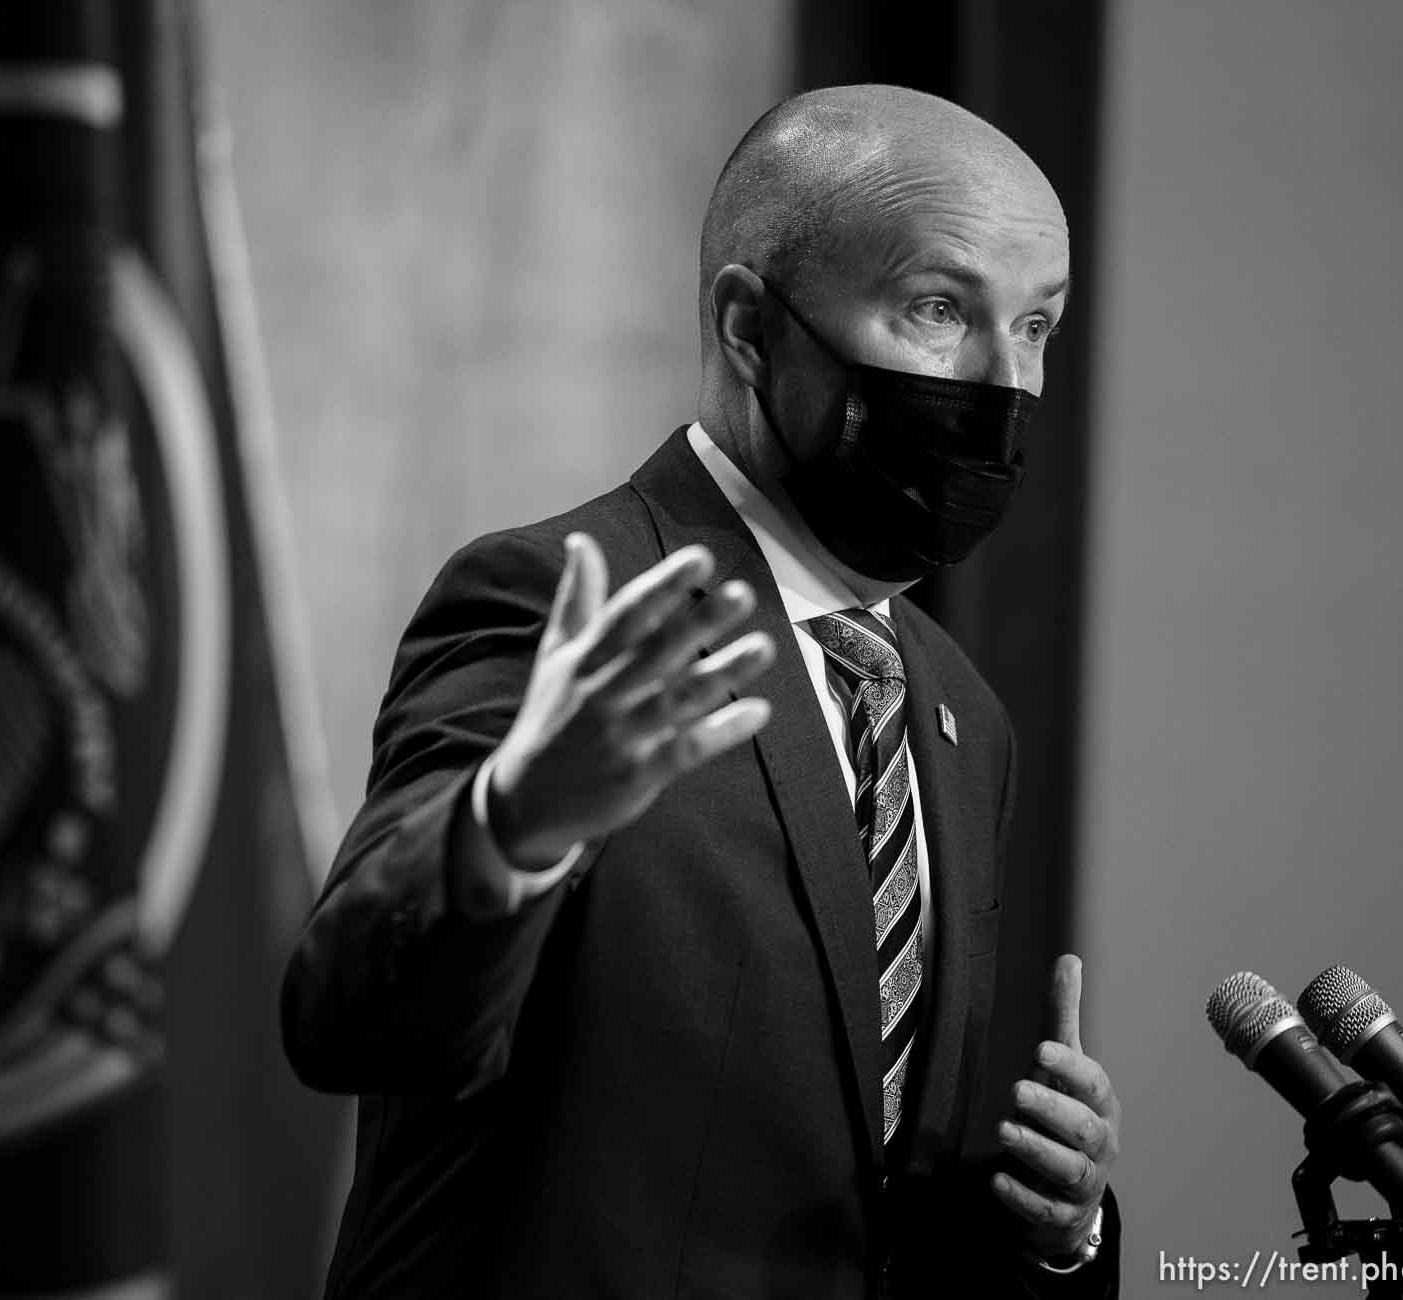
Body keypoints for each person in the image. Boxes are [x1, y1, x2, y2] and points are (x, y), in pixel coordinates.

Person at [281, 84, 1122, 1298]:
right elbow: (348, 1018)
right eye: (940, 309)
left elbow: (861, 1187)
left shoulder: (957, 711)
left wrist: (1059, 1230)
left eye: (1037, 326)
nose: (1003, 383)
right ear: (748, 327)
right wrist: (515, 822)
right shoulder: (563, 602)